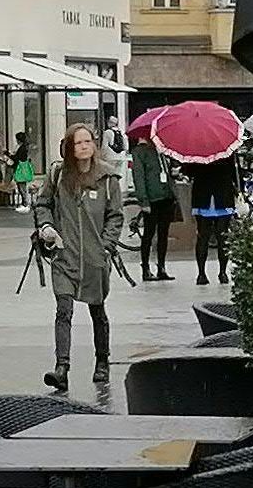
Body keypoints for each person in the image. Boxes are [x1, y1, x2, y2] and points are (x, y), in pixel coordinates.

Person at [33, 123, 123, 391]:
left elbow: (115, 216)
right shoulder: (59, 174)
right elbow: (43, 203)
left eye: (88, 141)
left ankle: (102, 361)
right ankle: (62, 367)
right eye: (78, 143)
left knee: (97, 310)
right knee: (63, 310)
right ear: (69, 148)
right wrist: (46, 227)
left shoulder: (108, 178)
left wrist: (106, 247)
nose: (84, 146)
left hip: (95, 259)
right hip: (65, 255)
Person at [129, 132, 178, 280]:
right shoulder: (140, 152)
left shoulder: (162, 151)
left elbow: (166, 172)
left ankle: (161, 267)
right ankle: (145, 268)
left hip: (166, 197)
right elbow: (139, 177)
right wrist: (143, 200)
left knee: (163, 234)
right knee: (148, 234)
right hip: (152, 198)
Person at [188, 153, 240, 285]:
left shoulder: (196, 151)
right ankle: (222, 273)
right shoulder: (228, 151)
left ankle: (201, 274)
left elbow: (189, 172)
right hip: (223, 197)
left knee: (203, 237)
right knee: (223, 237)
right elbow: (235, 174)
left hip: (202, 197)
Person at [10, 130, 34, 209]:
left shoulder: (21, 148)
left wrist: (9, 155)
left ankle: (25, 202)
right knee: (22, 186)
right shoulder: (24, 147)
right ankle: (25, 202)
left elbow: (17, 158)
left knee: (21, 186)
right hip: (24, 168)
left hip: (20, 169)